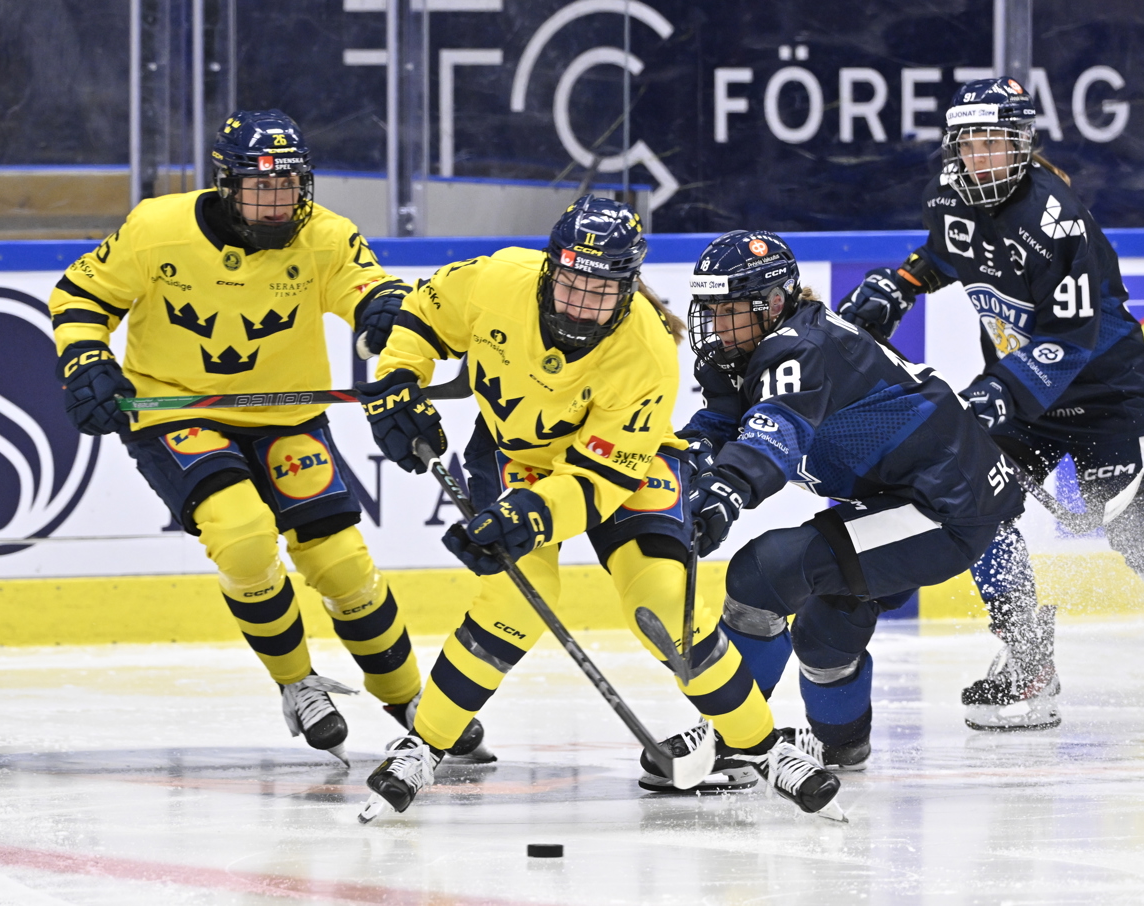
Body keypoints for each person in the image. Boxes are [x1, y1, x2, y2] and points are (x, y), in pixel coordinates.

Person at [354, 196, 842, 820]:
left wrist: (527, 515)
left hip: (619, 470)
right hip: (516, 456)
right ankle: (423, 745)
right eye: (572, 282)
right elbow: (423, 315)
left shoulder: (646, 351)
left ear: (629, 285)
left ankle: (761, 747)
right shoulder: (497, 278)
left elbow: (597, 481)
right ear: (549, 268)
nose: (581, 304)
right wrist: (397, 380)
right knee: (517, 596)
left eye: (602, 290)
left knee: (666, 605)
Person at [47, 109, 490, 765]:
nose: (278, 201)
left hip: (288, 418)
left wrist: (388, 325)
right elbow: (81, 297)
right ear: (225, 185)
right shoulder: (155, 231)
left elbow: (374, 291)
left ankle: (409, 700)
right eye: (260, 187)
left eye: (288, 185)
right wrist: (86, 361)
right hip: (176, 416)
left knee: (341, 562)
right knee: (244, 537)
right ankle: (297, 683)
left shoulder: (325, 237)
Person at [838, 77, 1144, 733]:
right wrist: (899, 286)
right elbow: (946, 252)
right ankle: (1028, 661)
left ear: (1023, 145)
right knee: (974, 504)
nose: (981, 157)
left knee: (1142, 531)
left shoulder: (1056, 219)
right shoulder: (947, 196)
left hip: (1106, 398)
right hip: (1022, 396)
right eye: (970, 144)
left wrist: (998, 393)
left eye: (996, 143)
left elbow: (1071, 336)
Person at [642, 229, 1025, 779]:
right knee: (826, 630)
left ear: (774, 303)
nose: (717, 323)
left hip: (943, 505)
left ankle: (733, 740)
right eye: (710, 307)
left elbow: (773, 436)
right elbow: (722, 421)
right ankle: (842, 742)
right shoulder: (750, 346)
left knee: (761, 575)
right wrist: (678, 466)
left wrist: (724, 493)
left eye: (731, 308)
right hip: (909, 493)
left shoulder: (797, 346)